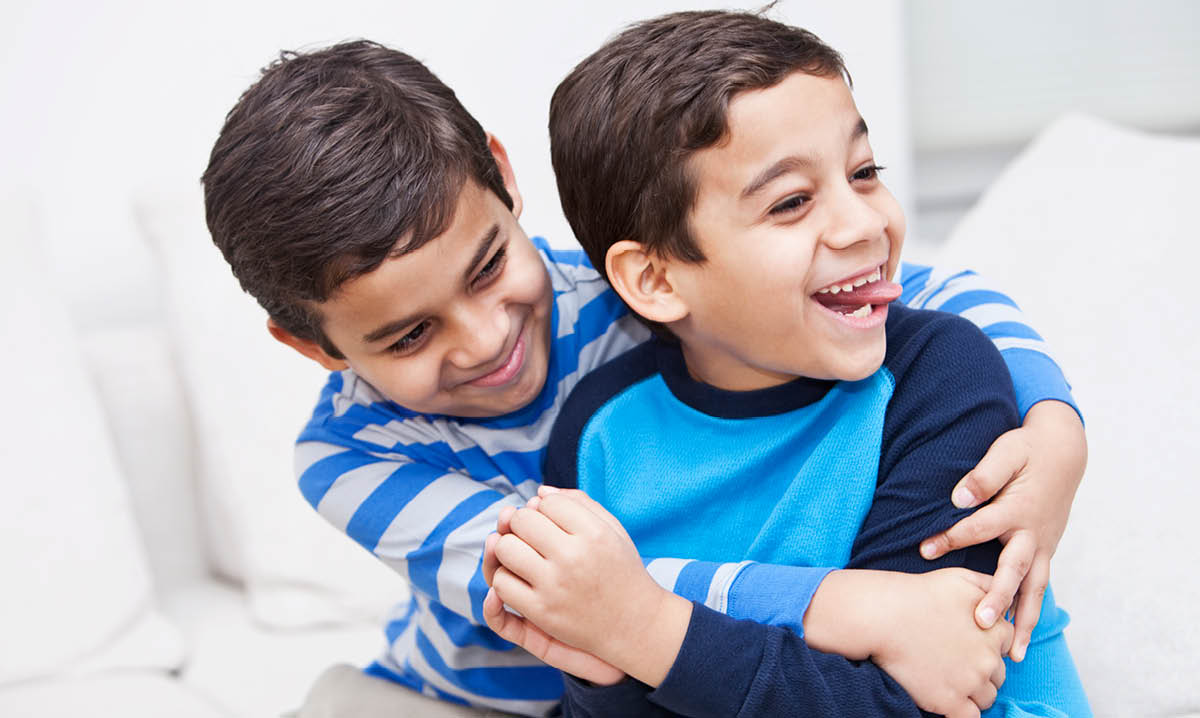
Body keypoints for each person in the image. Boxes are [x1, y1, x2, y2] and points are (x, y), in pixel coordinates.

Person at [201, 38, 1086, 718]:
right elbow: (575, 592)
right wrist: (848, 606)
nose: (484, 341)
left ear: (505, 182)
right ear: (313, 346)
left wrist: (1052, 420)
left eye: (485, 270)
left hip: (659, 667)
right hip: (466, 697)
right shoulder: (345, 460)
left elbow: (914, 295)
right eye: (408, 335)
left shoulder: (631, 294)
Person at [481, 9, 1090, 718]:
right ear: (656, 281)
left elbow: (917, 699)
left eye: (864, 172)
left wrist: (645, 629)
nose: (865, 222)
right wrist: (603, 663)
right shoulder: (598, 433)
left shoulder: (940, 378)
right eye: (792, 201)